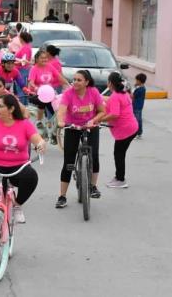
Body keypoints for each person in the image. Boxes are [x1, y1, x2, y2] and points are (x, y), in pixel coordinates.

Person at [55, 70, 106, 208]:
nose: (75, 82)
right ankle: (62, 196)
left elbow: (102, 111)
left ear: (86, 82)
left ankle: (93, 186)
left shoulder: (93, 92)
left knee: (94, 156)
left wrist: (94, 120)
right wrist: (60, 121)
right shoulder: (68, 94)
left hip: (91, 126)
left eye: (79, 80)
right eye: (74, 79)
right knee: (68, 161)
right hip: (73, 127)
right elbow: (61, 111)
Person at [91, 72, 139, 188]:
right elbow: (112, 101)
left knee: (119, 154)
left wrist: (100, 119)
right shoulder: (123, 93)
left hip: (125, 130)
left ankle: (121, 179)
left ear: (110, 83)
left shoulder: (116, 96)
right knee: (119, 154)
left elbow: (115, 114)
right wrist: (99, 98)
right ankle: (119, 177)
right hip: (132, 127)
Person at [28, 50, 70, 123]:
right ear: (37, 59)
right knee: (43, 103)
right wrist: (36, 88)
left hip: (50, 93)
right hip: (38, 94)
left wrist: (68, 85)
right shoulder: (34, 69)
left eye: (46, 58)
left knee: (56, 108)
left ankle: (54, 125)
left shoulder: (50, 66)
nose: (44, 59)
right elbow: (31, 82)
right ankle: (39, 122)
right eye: (42, 58)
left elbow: (59, 77)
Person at [132, 73, 147, 139]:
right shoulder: (142, 88)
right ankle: (138, 132)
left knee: (137, 120)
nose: (135, 82)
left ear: (139, 81)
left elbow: (133, 96)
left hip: (137, 106)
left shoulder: (140, 89)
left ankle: (138, 133)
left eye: (136, 80)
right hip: (138, 106)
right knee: (137, 119)